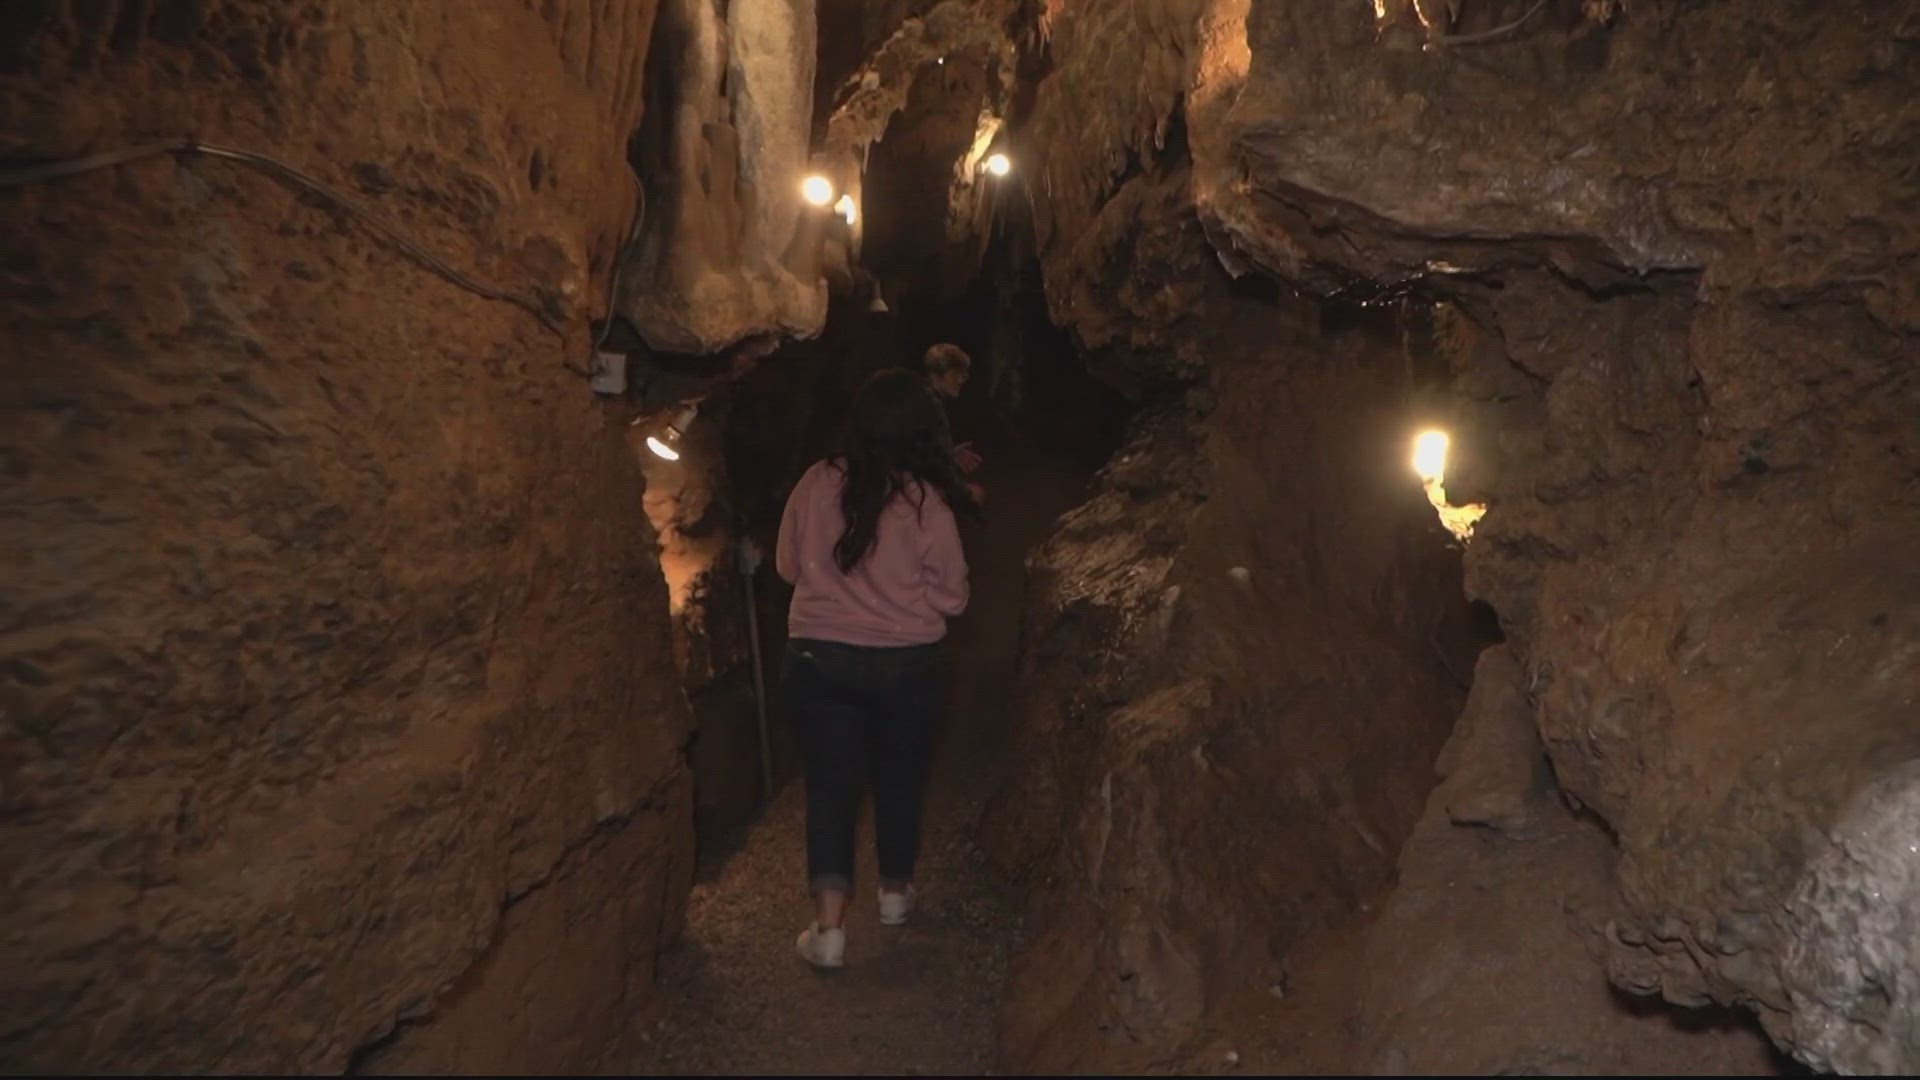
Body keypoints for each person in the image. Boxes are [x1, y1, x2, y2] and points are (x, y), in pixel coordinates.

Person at [775, 369, 981, 969]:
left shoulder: (815, 483)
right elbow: (953, 598)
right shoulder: (926, 503)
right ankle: (894, 894)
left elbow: (789, 566)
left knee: (831, 791)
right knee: (900, 777)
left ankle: (830, 929)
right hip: (907, 663)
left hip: (819, 658)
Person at [922, 343, 986, 502]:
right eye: (955, 374)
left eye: (963, 374)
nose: (961, 380)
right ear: (936, 375)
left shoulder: (926, 400)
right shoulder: (928, 405)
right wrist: (964, 493)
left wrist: (948, 454)